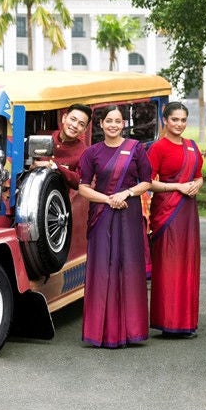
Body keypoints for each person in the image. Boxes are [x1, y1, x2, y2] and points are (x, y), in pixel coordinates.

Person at [77, 105, 153, 348]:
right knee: (102, 269)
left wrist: (126, 193)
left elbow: (147, 182)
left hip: (128, 214)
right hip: (101, 215)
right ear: (100, 124)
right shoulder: (92, 153)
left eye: (117, 121)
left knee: (128, 267)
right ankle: (101, 332)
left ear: (123, 124)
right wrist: (108, 199)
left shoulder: (136, 149)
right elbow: (83, 187)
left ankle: (131, 331)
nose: (113, 125)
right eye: (108, 120)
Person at [146, 101, 204, 338]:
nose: (179, 124)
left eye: (183, 120)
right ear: (165, 121)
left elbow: (199, 176)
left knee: (188, 265)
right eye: (174, 119)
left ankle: (186, 322)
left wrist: (197, 185)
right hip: (167, 214)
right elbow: (147, 182)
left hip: (188, 213)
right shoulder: (158, 148)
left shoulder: (192, 146)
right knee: (169, 267)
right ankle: (168, 320)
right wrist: (177, 186)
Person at [46, 103, 92, 190]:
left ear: (84, 130)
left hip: (57, 199)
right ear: (64, 118)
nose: (75, 125)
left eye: (81, 124)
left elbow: (80, 182)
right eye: (73, 119)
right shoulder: (43, 136)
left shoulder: (84, 152)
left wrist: (54, 166)